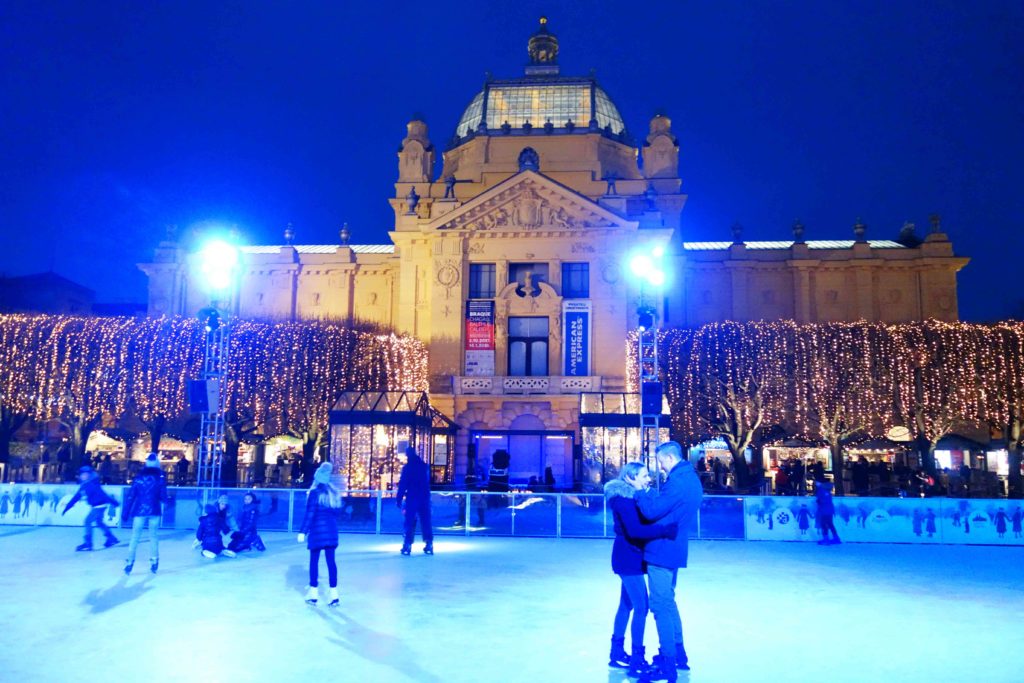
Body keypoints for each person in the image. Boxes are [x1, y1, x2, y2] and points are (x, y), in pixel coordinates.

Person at [635, 441, 703, 681]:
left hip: (662, 550)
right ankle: (678, 655)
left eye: (661, 462)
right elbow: (667, 509)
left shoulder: (677, 483)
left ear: (670, 458)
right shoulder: (691, 479)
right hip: (674, 549)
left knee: (660, 606)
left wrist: (641, 491)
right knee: (669, 603)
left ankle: (667, 662)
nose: (660, 467)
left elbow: (652, 511)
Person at [605, 462, 678, 677]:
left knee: (626, 605)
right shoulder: (623, 500)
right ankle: (637, 658)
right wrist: (664, 530)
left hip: (630, 557)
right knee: (641, 607)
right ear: (630, 477)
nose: (648, 479)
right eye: (644, 476)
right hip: (628, 559)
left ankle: (616, 651)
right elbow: (635, 530)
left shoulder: (631, 498)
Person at [298, 461, 342, 606]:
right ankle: (334, 594)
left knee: (314, 562)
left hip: (317, 532)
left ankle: (313, 593)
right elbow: (337, 513)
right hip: (331, 531)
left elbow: (310, 514)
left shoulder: (314, 493)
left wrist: (302, 532)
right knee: (331, 562)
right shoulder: (333, 494)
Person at [124, 453, 169, 574]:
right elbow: (164, 496)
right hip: (154, 510)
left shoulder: (139, 477)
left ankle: (129, 561)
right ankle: (154, 560)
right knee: (153, 536)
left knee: (135, 537)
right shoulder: (160, 478)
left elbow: (131, 496)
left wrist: (125, 513)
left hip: (139, 511)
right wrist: (166, 503)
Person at [62, 465, 120, 551]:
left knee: (87, 521)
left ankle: (88, 543)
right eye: (82, 474)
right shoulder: (85, 485)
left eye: (85, 474)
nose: (83, 476)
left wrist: (113, 502)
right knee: (99, 522)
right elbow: (76, 497)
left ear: (89, 474)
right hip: (99, 505)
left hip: (98, 506)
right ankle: (111, 537)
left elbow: (102, 494)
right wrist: (67, 507)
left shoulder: (92, 484)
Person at [396, 447, 433, 556]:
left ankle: (407, 544)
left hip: (412, 497)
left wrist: (399, 498)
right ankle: (429, 542)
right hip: (424, 497)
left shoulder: (407, 468)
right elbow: (427, 483)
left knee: (409, 521)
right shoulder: (424, 466)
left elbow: (403, 484)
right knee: (426, 521)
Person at [814, 477, 840, 545]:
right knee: (830, 524)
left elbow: (819, 500)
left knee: (823, 524)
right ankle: (836, 538)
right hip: (830, 509)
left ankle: (826, 539)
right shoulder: (827, 490)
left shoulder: (820, 490)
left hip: (824, 510)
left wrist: (818, 502)